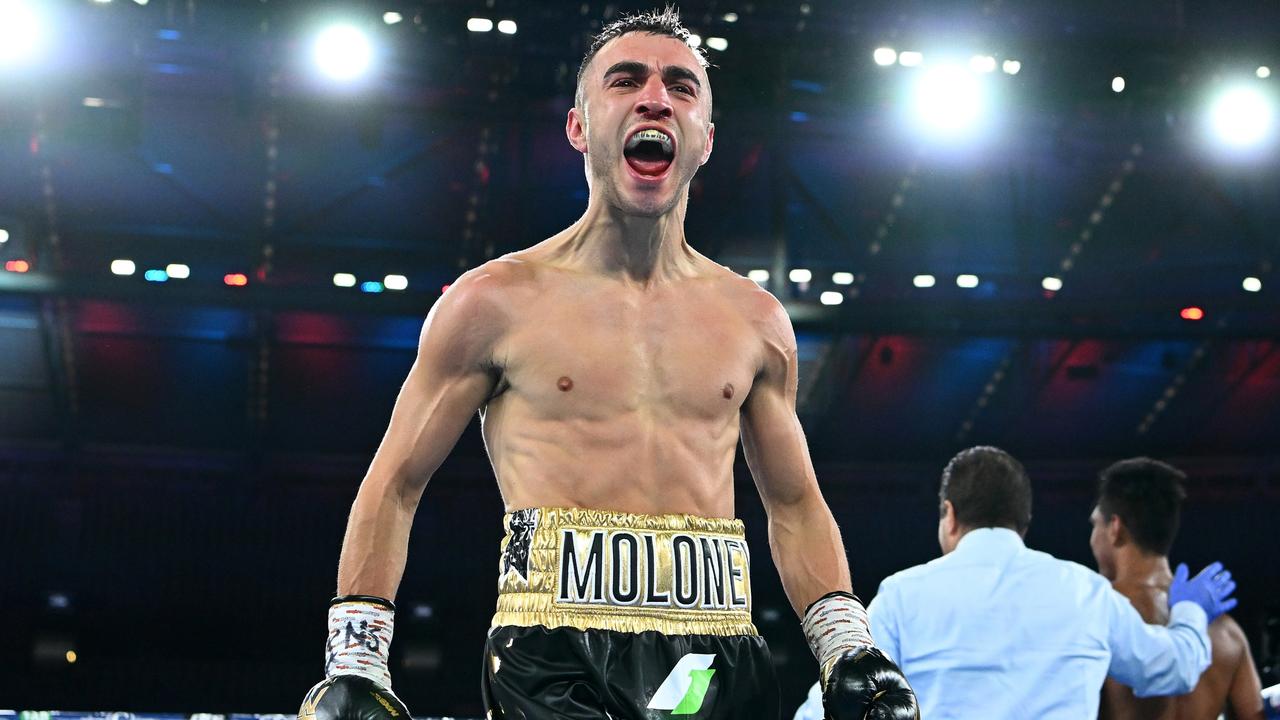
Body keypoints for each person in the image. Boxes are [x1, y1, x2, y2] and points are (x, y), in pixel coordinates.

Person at [296, 8, 917, 720]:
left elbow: (794, 502)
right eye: (627, 80)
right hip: (553, 655)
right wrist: (357, 660)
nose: (655, 97)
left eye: (681, 86)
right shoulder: (495, 302)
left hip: (707, 659)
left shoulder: (755, 321)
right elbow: (395, 483)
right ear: (579, 128)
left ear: (705, 141)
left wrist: (848, 647)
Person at [865, 446, 1238, 720]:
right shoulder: (1084, 591)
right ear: (1023, 523)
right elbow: (1175, 667)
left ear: (950, 514)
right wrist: (1191, 609)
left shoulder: (900, 596)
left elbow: (837, 699)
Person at [1092, 457, 1266, 720]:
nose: (1093, 537)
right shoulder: (1227, 632)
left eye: (1095, 525)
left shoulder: (1098, 613)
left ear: (1115, 528)